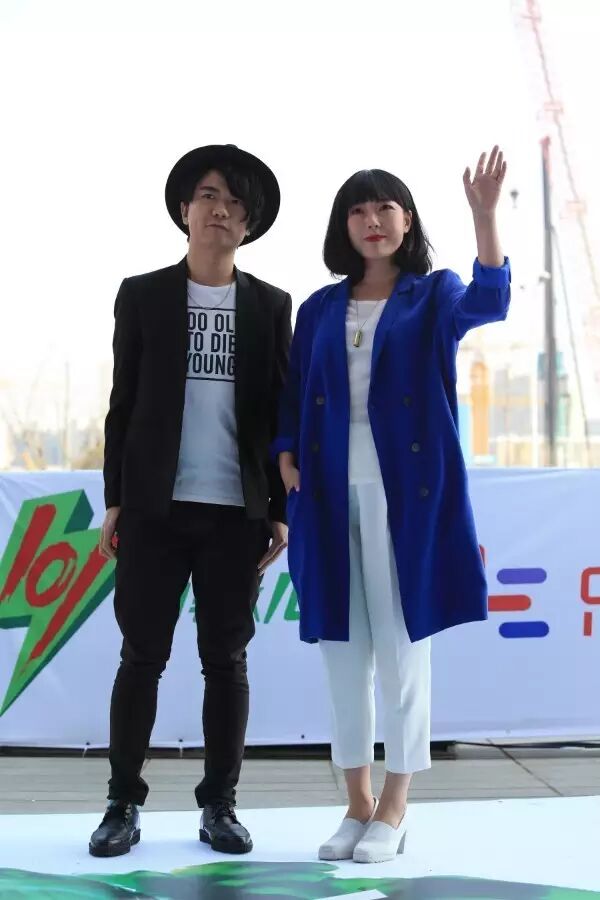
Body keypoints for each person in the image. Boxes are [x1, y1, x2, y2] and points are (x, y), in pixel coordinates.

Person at [273, 146, 510, 864]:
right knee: (342, 654)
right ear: (342, 225)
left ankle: (396, 807)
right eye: (358, 210)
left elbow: (490, 302)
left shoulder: (433, 294)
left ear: (407, 221)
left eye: (385, 207)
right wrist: (284, 454)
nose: (372, 220)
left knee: (404, 654)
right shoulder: (318, 307)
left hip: (406, 497)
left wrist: (485, 217)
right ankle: (356, 804)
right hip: (324, 496)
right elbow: (291, 393)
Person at [89, 144, 291, 858]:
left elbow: (277, 412)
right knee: (141, 656)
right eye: (208, 196)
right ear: (184, 209)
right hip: (155, 508)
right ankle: (121, 803)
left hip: (235, 512)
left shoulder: (270, 305)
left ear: (249, 223)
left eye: (235, 203)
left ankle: (220, 805)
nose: (220, 211)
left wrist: (277, 509)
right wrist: (116, 498)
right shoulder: (142, 295)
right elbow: (122, 404)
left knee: (225, 661)